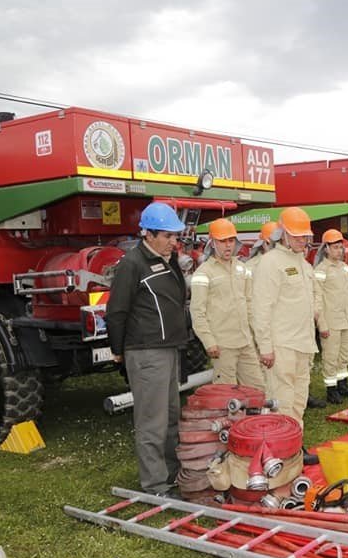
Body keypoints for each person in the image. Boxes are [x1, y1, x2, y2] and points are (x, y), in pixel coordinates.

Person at [106, 202, 188, 496]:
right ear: (148, 234)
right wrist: (118, 350)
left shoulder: (167, 259)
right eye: (167, 236)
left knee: (169, 417)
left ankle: (173, 474)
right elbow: (116, 310)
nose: (173, 242)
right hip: (146, 350)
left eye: (175, 236)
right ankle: (154, 485)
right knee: (152, 422)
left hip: (167, 348)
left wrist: (174, 259)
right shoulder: (133, 263)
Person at [252, 207, 318, 425]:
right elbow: (261, 308)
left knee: (299, 400)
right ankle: (281, 448)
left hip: (303, 344)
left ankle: (294, 444)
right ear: (283, 234)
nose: (302, 241)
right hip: (282, 346)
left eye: (304, 236)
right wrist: (266, 347)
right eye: (297, 236)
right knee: (281, 402)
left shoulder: (304, 264)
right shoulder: (270, 262)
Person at [190, 218, 265, 390]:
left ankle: (255, 418)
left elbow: (250, 303)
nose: (228, 245)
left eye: (231, 240)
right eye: (222, 241)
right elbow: (197, 312)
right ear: (212, 243)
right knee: (226, 394)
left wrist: (257, 335)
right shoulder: (203, 273)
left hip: (245, 341)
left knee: (258, 390)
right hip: (222, 345)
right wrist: (209, 342)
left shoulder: (242, 268)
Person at [314, 229, 348, 405]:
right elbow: (317, 300)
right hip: (330, 321)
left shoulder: (345, 268)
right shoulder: (320, 270)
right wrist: (321, 324)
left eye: (341, 247)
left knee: (344, 354)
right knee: (330, 357)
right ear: (326, 249)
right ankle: (331, 390)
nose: (340, 251)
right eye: (336, 247)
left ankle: (342, 385)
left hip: (345, 320)